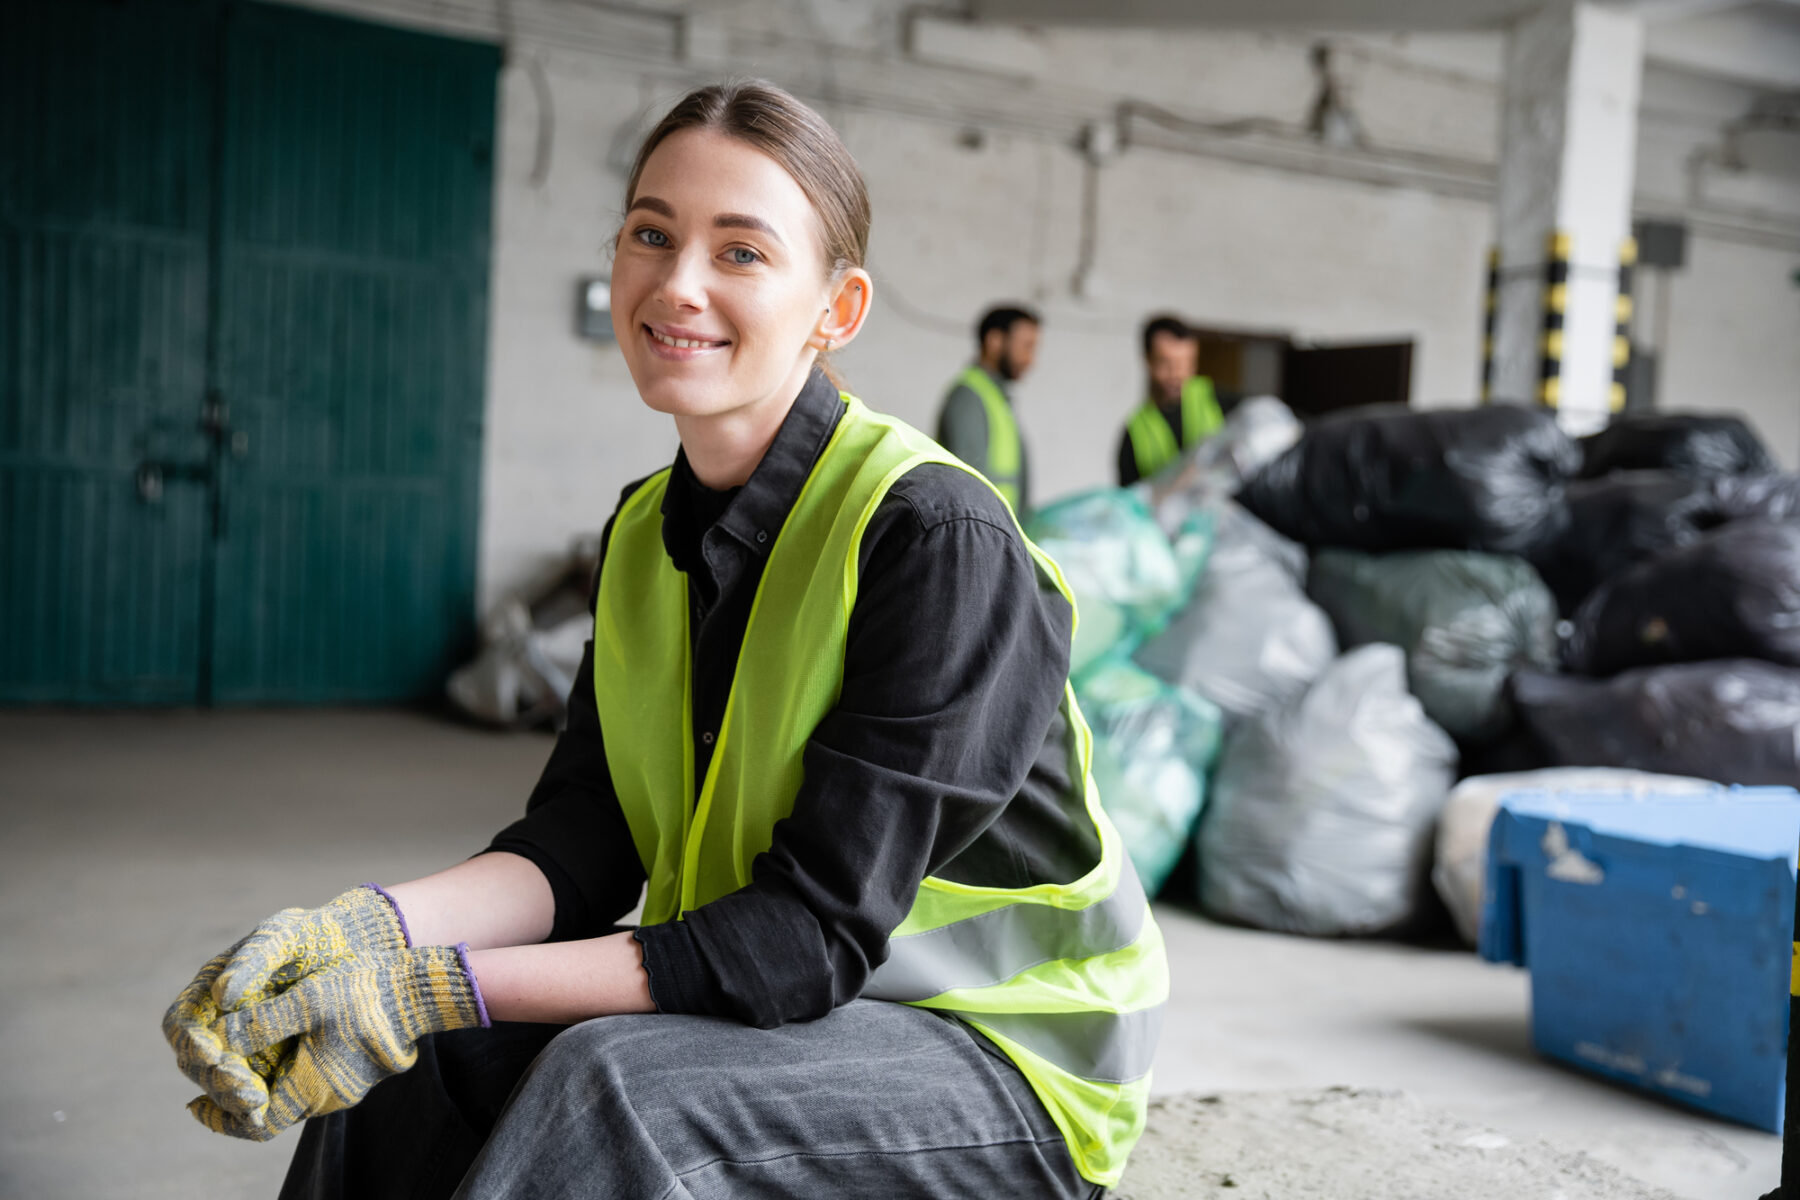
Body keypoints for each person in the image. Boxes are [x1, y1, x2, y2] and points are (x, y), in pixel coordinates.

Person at [161, 80, 1167, 1200]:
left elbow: (803, 938)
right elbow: (584, 840)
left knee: (613, 1082)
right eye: (652, 233)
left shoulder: (933, 537)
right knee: (423, 1059)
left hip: (1002, 1060)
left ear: (838, 309)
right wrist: (367, 933)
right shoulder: (645, 533)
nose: (677, 283)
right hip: (800, 1014)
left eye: (741, 252)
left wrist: (438, 983)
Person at [935, 304, 1039, 513]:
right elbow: (966, 489)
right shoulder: (969, 396)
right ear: (995, 341)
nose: (1031, 360)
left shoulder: (994, 396)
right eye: (1026, 346)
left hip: (997, 534)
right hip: (984, 535)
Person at [1116, 314, 1223, 486]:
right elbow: (1129, 504)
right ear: (1148, 360)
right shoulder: (1135, 431)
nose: (1177, 374)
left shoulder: (1216, 400)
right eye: (1167, 364)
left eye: (1187, 364)